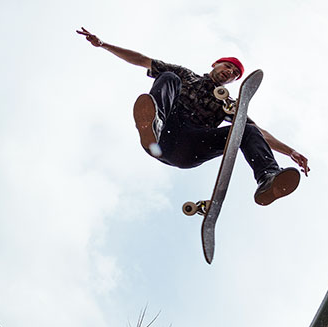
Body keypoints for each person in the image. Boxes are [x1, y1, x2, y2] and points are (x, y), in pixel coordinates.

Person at [76, 27, 309, 205]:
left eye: (234, 75)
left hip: (192, 147)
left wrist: (291, 152)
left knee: (247, 129)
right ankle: (152, 124)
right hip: (165, 134)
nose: (229, 73)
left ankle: (267, 179)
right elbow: (141, 60)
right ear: (216, 64)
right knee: (170, 77)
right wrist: (104, 45)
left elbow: (260, 135)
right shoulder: (187, 75)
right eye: (227, 67)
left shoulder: (227, 102)